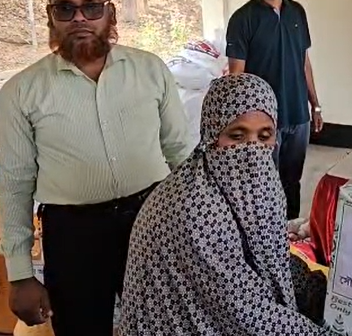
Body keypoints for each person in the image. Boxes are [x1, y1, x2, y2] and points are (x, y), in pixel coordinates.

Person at [0, 0, 192, 336]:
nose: (80, 19)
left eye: (92, 7)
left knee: (166, 325)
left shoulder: (150, 71)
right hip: (73, 235)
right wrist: (19, 274)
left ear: (110, 13)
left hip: (151, 220)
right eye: (65, 9)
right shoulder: (21, 93)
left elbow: (181, 153)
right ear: (51, 17)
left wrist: (199, 227)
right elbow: (14, 186)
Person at [119, 72, 331, 335]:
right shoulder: (194, 207)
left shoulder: (261, 183)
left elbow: (271, 253)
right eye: (237, 136)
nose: (252, 150)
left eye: (264, 136)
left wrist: (317, 289)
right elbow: (247, 313)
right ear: (212, 133)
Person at [226, 0, 323, 220]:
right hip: (263, 120)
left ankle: (290, 234)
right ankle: (263, 234)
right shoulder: (243, 19)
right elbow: (236, 77)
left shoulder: (297, 13)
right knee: (263, 185)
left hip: (298, 114)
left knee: (292, 181)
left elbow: (304, 62)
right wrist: (241, 123)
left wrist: (315, 105)